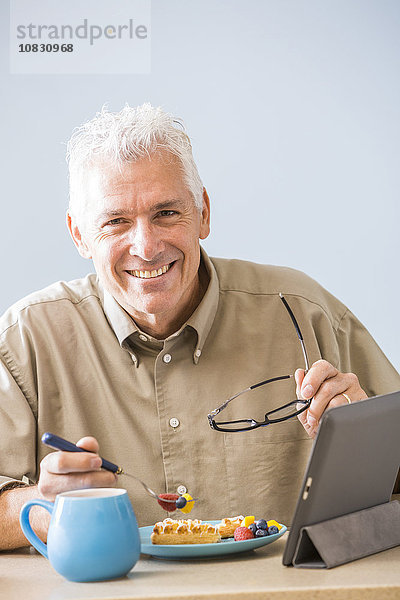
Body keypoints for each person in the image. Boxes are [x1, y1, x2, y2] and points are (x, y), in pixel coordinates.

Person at [1, 103, 399, 551]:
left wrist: (366, 445)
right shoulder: (25, 339)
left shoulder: (307, 312)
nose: (146, 247)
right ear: (79, 235)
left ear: (203, 212)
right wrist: (41, 502)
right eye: (115, 222)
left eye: (167, 213)